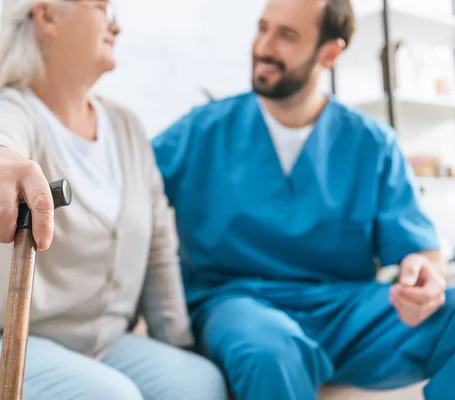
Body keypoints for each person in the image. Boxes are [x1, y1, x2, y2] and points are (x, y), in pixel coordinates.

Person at [0, 0, 229, 399]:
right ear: (47, 16)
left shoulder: (127, 129)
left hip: (95, 344)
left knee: (197, 383)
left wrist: (175, 349)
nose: (116, 27)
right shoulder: (11, 110)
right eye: (102, 7)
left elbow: (159, 255)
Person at [150, 0, 455, 399]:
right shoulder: (201, 131)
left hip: (342, 313)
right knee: (272, 352)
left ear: (330, 53)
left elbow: (422, 254)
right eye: (263, 28)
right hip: (241, 307)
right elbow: (123, 194)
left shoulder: (371, 143)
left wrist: (424, 280)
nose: (263, 45)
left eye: (286, 35)